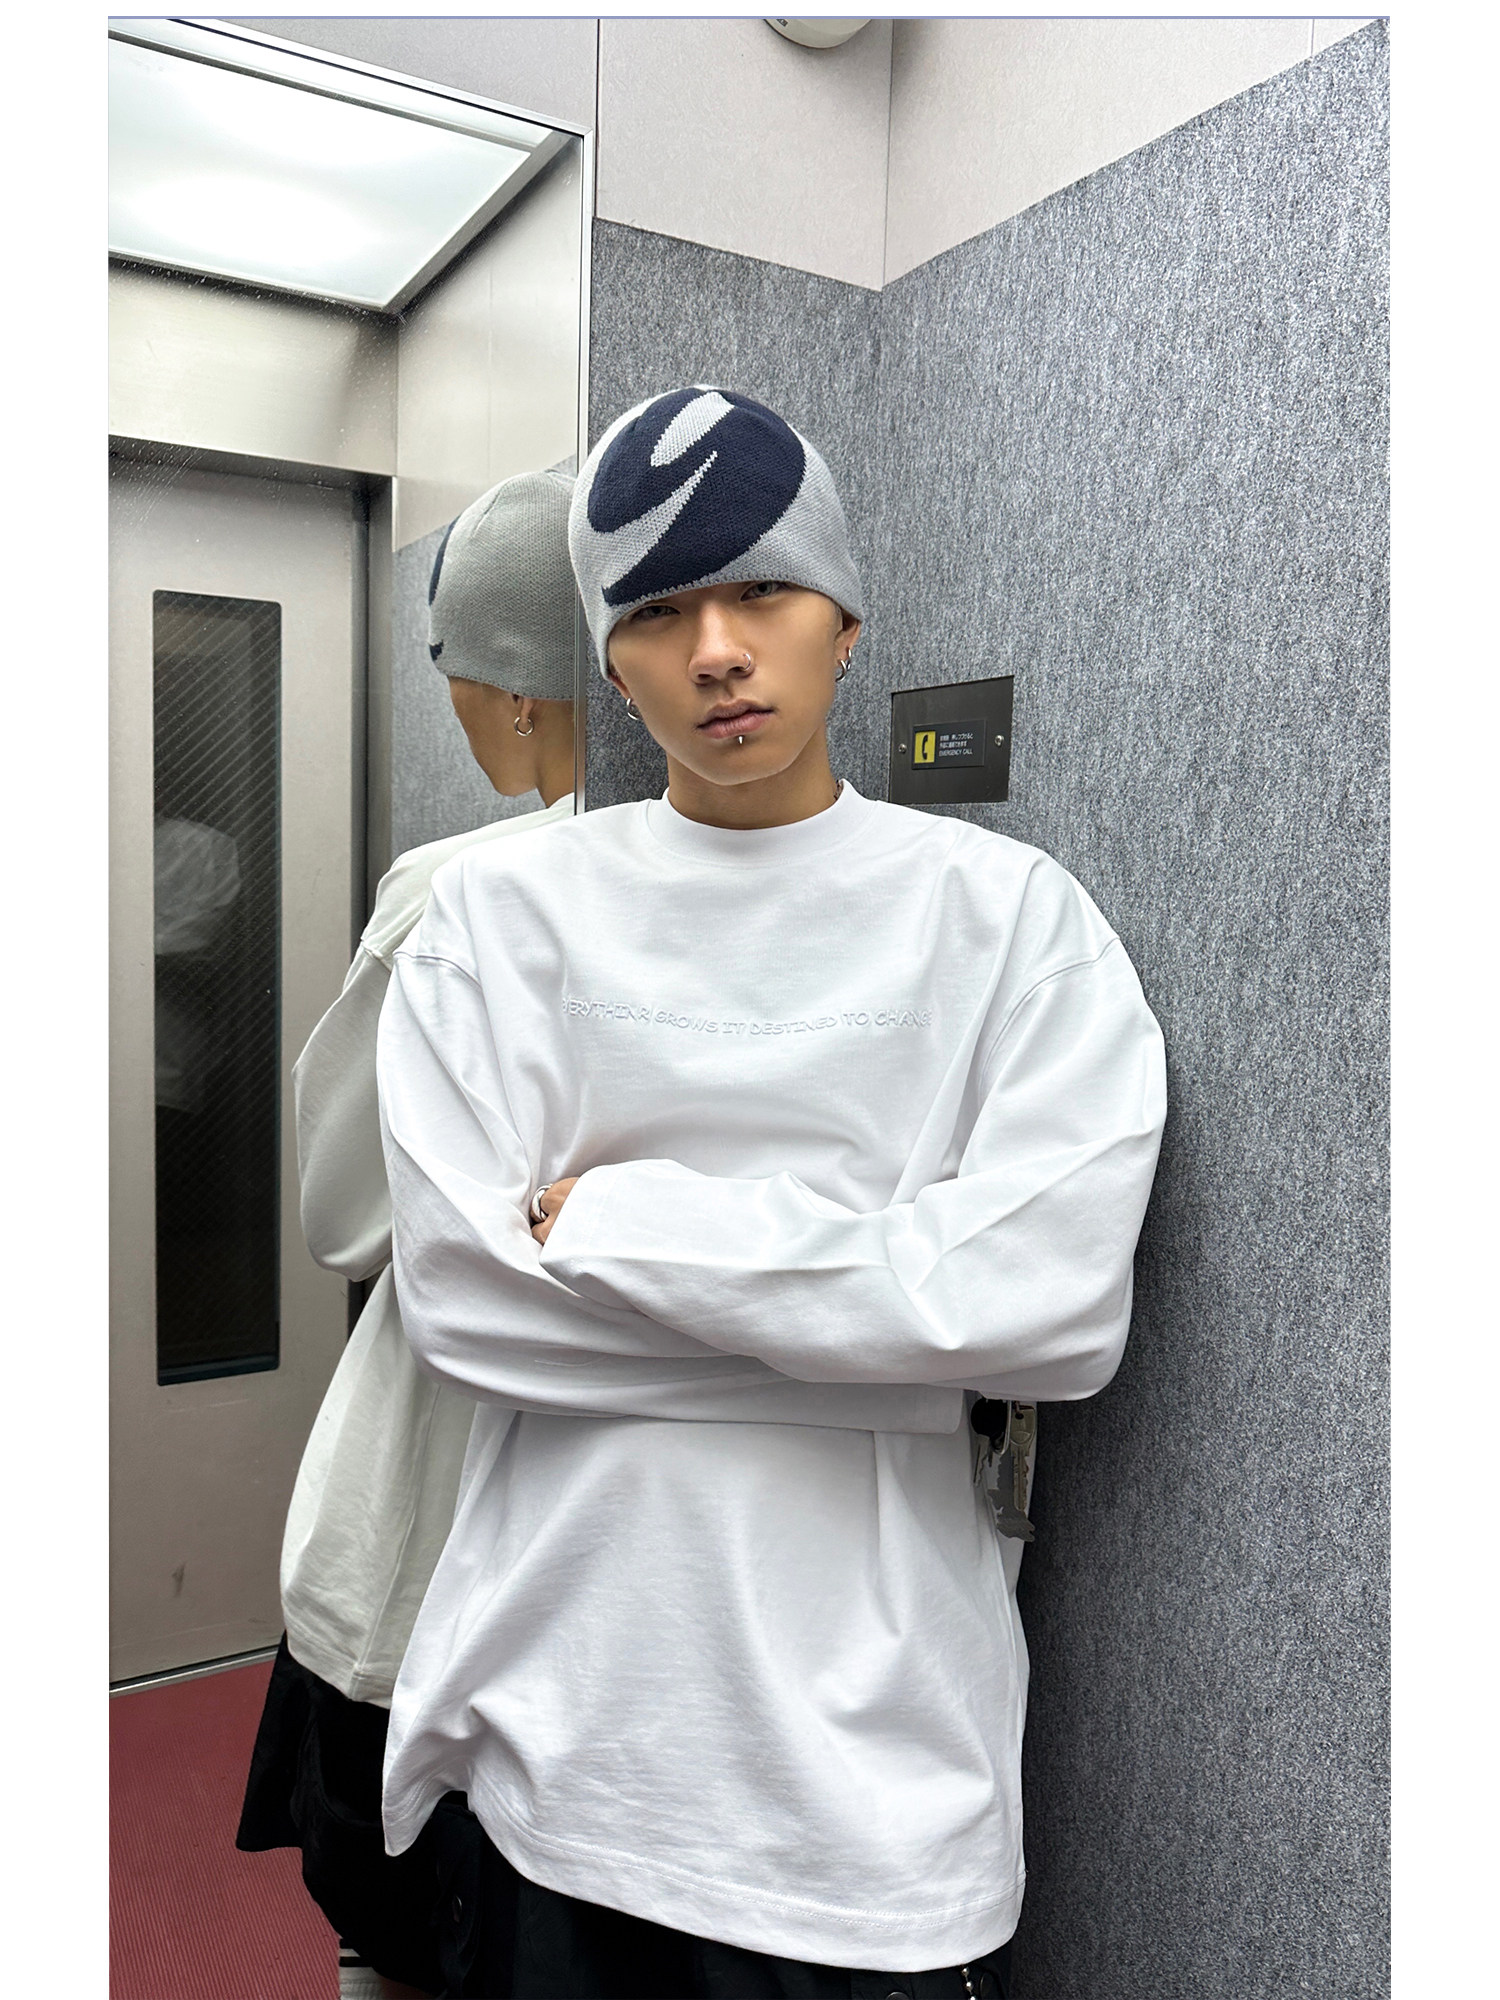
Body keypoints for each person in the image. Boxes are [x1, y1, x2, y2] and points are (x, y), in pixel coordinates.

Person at [374, 388, 1168, 1999]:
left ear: (847, 621)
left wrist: (623, 1226)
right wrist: (899, 1348)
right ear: (610, 663)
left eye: (763, 591)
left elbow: (1057, 1311)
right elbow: (462, 1308)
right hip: (563, 1744)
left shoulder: (1012, 921)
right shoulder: (501, 924)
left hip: (880, 1792)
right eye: (658, 612)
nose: (717, 651)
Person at [236, 469, 579, 2000]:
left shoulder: (460, 893)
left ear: (517, 691)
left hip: (432, 1507)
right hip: (635, 1550)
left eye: (451, 669)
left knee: (400, 1915)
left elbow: (337, 1213)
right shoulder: (790, 885)